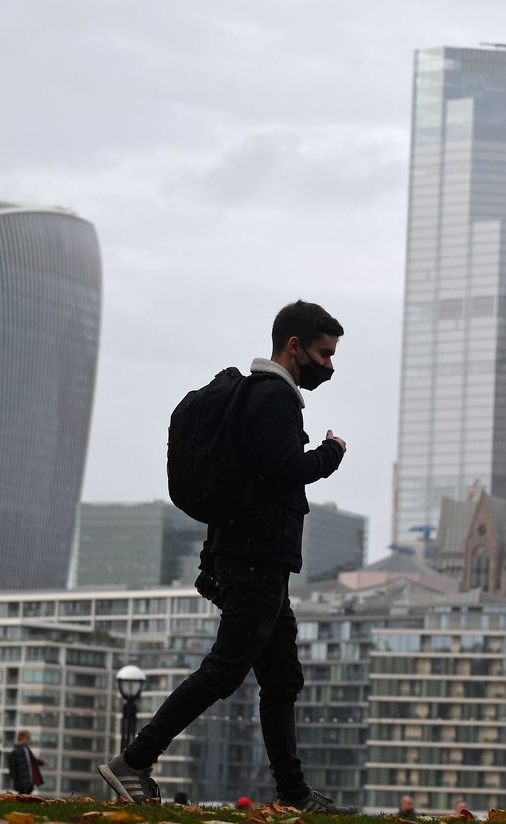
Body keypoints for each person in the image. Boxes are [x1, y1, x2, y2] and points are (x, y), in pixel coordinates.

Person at [98, 301, 351, 813]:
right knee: (225, 669)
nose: (329, 366)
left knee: (281, 678)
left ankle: (294, 793)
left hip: (256, 558)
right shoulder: (273, 397)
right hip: (257, 559)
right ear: (294, 345)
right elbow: (284, 469)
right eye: (324, 354)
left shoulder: (256, 397)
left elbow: (249, 478)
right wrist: (330, 454)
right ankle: (134, 760)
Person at [7, 730, 45, 795]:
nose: (29, 741)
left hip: (28, 778)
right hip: (21, 779)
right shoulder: (16, 751)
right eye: (27, 738)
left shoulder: (26, 749)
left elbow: (32, 760)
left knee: (28, 793)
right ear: (21, 738)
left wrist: (41, 762)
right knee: (23, 794)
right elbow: (12, 764)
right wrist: (12, 775)